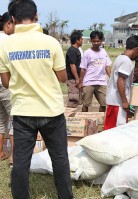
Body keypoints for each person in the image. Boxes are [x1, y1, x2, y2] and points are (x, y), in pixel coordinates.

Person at [0, 0, 74, 198]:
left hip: (23, 112)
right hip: (52, 111)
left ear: (13, 19)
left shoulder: (6, 45)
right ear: (36, 16)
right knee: (60, 158)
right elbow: (62, 78)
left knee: (21, 161)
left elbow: (5, 82)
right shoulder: (50, 42)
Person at [103, 35, 138, 130]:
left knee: (111, 128)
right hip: (118, 102)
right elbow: (120, 80)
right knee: (116, 130)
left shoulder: (120, 57)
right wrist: (125, 101)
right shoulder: (127, 62)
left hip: (115, 101)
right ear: (136, 49)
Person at [79, 30, 112, 112]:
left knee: (104, 104)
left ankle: (101, 120)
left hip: (101, 82)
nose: (96, 43)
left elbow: (107, 66)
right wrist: (80, 82)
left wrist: (111, 78)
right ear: (91, 41)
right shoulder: (87, 53)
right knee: (86, 104)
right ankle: (84, 119)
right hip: (89, 81)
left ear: (101, 41)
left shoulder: (104, 52)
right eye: (94, 41)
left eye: (98, 41)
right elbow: (83, 68)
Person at [0, 12, 14, 167]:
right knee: (15, 120)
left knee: (0, 121)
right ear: (9, 23)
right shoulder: (9, 41)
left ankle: (0, 153)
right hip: (6, 84)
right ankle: (13, 157)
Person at [66, 30, 83, 108]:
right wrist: (76, 78)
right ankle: (70, 117)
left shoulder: (77, 50)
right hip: (73, 79)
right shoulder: (72, 51)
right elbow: (72, 65)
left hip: (77, 78)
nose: (82, 41)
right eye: (81, 39)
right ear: (77, 40)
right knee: (73, 99)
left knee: (78, 99)